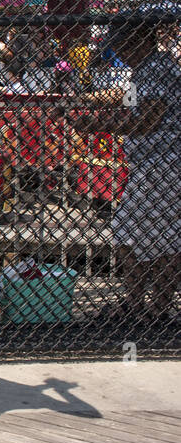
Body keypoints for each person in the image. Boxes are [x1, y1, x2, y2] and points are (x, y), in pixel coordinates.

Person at [70, 18, 181, 320]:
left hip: (162, 165)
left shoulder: (156, 68)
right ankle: (149, 308)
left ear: (139, 41)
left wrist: (93, 124)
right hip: (158, 166)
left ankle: (143, 306)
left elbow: (149, 118)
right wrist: (88, 99)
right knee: (160, 234)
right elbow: (127, 94)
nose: (120, 52)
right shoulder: (149, 67)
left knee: (130, 231)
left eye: (123, 45)